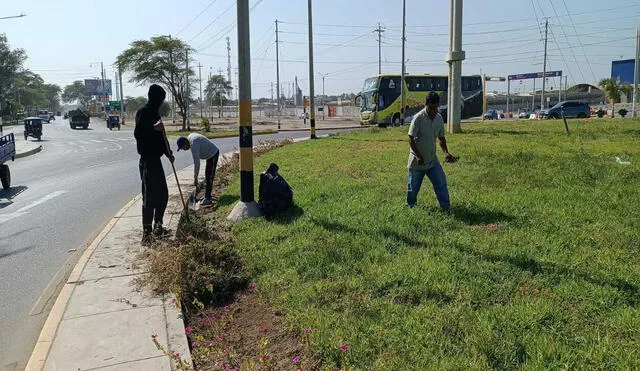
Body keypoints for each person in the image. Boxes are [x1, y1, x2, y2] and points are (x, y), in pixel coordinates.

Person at [135, 84, 175, 245]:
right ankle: (146, 233)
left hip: (156, 160)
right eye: (160, 99)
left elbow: (161, 139)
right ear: (154, 97)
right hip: (147, 161)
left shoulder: (155, 113)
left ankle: (158, 226)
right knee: (150, 197)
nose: (161, 101)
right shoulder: (143, 112)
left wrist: (168, 153)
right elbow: (138, 134)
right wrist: (153, 128)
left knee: (163, 195)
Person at [406, 91, 456, 210]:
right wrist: (418, 155)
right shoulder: (418, 118)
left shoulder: (438, 118)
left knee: (441, 183)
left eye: (435, 108)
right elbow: (410, 138)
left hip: (432, 160)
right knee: (413, 188)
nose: (433, 111)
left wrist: (446, 153)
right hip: (417, 162)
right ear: (426, 105)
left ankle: (445, 207)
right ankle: (410, 207)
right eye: (431, 108)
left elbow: (441, 138)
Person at [177, 133, 220, 206]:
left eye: (183, 148)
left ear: (185, 143)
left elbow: (197, 163)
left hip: (213, 153)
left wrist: (195, 178)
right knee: (207, 175)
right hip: (208, 155)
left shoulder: (194, 144)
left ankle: (208, 198)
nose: (184, 150)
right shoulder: (190, 137)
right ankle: (207, 195)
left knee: (209, 176)